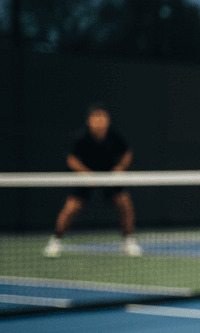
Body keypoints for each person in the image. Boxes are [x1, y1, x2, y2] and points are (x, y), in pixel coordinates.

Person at [44, 102, 142, 257]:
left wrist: (119, 169)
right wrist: (85, 173)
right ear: (89, 120)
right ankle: (55, 240)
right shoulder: (82, 137)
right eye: (95, 117)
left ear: (107, 119)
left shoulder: (114, 136)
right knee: (71, 208)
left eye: (102, 117)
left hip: (109, 176)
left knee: (124, 203)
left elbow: (127, 153)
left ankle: (129, 241)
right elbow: (71, 159)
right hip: (87, 177)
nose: (99, 121)